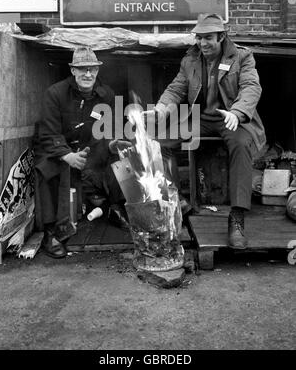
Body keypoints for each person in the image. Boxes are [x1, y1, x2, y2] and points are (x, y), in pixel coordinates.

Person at [145, 13, 266, 249]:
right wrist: (160, 110)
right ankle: (176, 201)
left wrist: (238, 112)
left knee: (241, 146)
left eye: (208, 38)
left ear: (221, 37)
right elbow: (176, 89)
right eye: (199, 38)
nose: (202, 43)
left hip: (232, 118)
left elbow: (251, 87)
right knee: (160, 141)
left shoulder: (242, 56)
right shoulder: (190, 60)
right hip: (200, 117)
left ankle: (237, 217)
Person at [34, 46, 130, 259]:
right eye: (82, 69)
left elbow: (108, 130)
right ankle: (53, 231)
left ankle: (116, 207)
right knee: (47, 168)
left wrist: (112, 144)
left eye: (92, 70)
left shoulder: (106, 94)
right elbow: (48, 132)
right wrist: (66, 155)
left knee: (119, 157)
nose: (88, 74)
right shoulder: (55, 93)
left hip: (90, 147)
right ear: (73, 71)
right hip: (58, 148)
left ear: (97, 71)